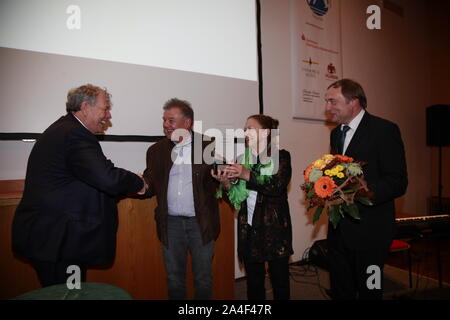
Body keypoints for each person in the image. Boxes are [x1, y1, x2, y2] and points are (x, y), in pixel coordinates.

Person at [12, 84, 147, 287]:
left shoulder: (65, 129)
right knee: (70, 294)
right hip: (57, 241)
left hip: (54, 239)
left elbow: (92, 177)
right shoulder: (74, 134)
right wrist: (139, 182)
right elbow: (106, 177)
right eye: (105, 108)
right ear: (85, 107)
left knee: (68, 292)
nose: (108, 115)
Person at [324, 79, 408, 299]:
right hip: (339, 232)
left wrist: (364, 191)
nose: (327, 107)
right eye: (327, 102)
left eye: (333, 101)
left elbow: (398, 181)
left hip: (371, 233)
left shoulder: (385, 130)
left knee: (371, 291)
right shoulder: (336, 134)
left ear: (354, 101)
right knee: (341, 291)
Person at [143, 98, 219, 300]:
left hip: (200, 223)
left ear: (187, 123)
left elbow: (217, 180)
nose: (166, 125)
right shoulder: (156, 151)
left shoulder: (206, 145)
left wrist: (226, 179)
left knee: (203, 278)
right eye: (164, 120)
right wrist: (139, 185)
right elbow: (150, 181)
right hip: (171, 224)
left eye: (171, 120)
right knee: (174, 278)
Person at [213, 114, 293, 300]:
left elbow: (276, 186)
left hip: (274, 229)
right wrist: (225, 183)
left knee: (280, 281)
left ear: (265, 132)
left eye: (250, 128)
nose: (245, 131)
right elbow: (236, 196)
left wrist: (246, 174)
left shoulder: (281, 156)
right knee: (254, 283)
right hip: (248, 228)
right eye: (245, 128)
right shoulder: (242, 158)